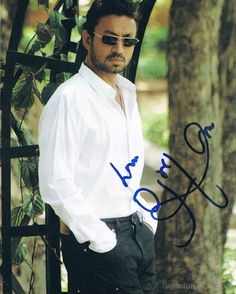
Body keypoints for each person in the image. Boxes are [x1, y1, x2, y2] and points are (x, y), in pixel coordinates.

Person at [38, 0, 157, 293]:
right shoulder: (70, 99)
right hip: (99, 244)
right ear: (88, 38)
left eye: (128, 41)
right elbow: (55, 182)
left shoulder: (126, 95)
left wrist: (146, 221)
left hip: (137, 233)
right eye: (110, 38)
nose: (119, 48)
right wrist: (100, 238)